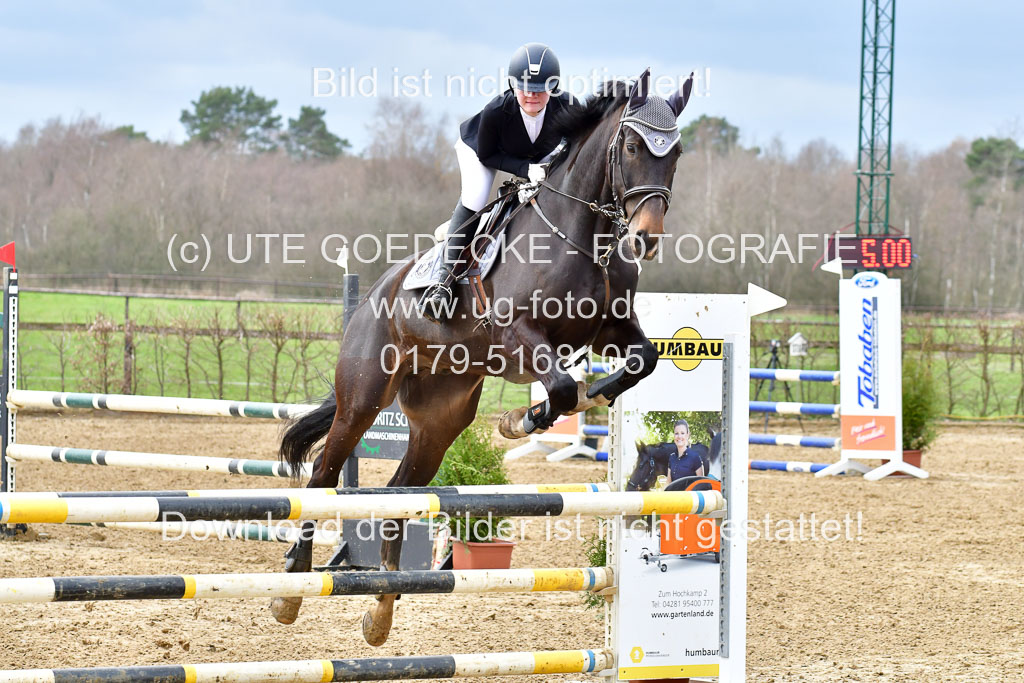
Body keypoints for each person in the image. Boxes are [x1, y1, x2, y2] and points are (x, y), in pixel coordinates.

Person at [418, 42, 580, 323]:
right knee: (476, 197)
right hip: (482, 151)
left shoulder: (568, 107)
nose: (532, 95)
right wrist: (526, 169)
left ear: (553, 87)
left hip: (535, 156)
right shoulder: (496, 111)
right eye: (525, 88)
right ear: (513, 85)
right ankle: (443, 282)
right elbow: (488, 155)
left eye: (540, 88)